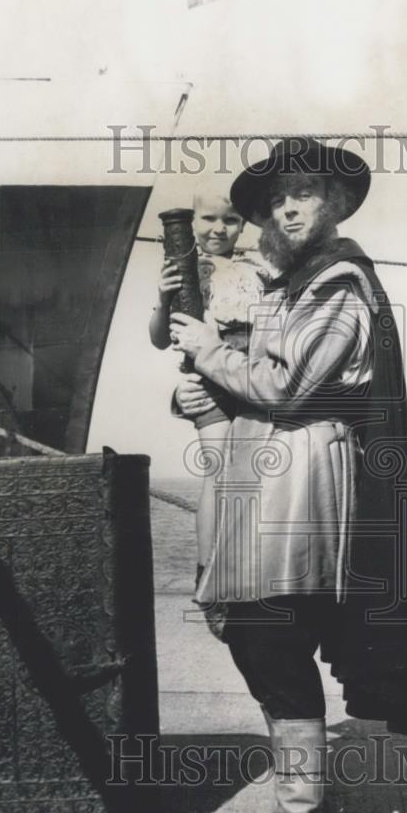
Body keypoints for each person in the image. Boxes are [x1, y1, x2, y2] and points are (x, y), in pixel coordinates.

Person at [170, 137, 407, 813]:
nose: (286, 207)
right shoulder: (286, 286)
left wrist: (207, 351)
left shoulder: (338, 284)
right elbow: (252, 382)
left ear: (337, 204)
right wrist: (210, 393)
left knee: (273, 636)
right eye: (278, 196)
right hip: (259, 466)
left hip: (304, 470)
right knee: (253, 637)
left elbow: (285, 388)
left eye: (306, 191)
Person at [149, 186, 271, 587]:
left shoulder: (257, 269)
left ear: (243, 226)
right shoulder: (187, 270)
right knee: (218, 473)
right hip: (208, 382)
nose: (219, 228)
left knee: (254, 474)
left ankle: (247, 567)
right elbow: (160, 338)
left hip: (246, 373)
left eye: (230, 220)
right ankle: (208, 570)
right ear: (193, 223)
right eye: (208, 219)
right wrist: (164, 299)